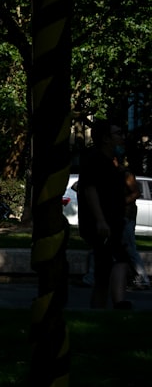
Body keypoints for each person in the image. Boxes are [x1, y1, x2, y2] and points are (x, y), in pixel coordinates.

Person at [77, 120, 131, 309]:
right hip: (102, 224)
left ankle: (99, 310)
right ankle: (119, 303)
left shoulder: (111, 163)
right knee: (120, 261)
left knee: (103, 273)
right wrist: (100, 220)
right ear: (106, 139)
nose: (122, 138)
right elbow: (89, 190)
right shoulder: (95, 160)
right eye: (118, 133)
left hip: (112, 223)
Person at [123, 166, 150, 290]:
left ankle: (142, 278)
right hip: (120, 215)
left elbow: (136, 193)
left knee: (129, 247)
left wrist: (120, 202)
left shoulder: (125, 174)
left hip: (126, 215)